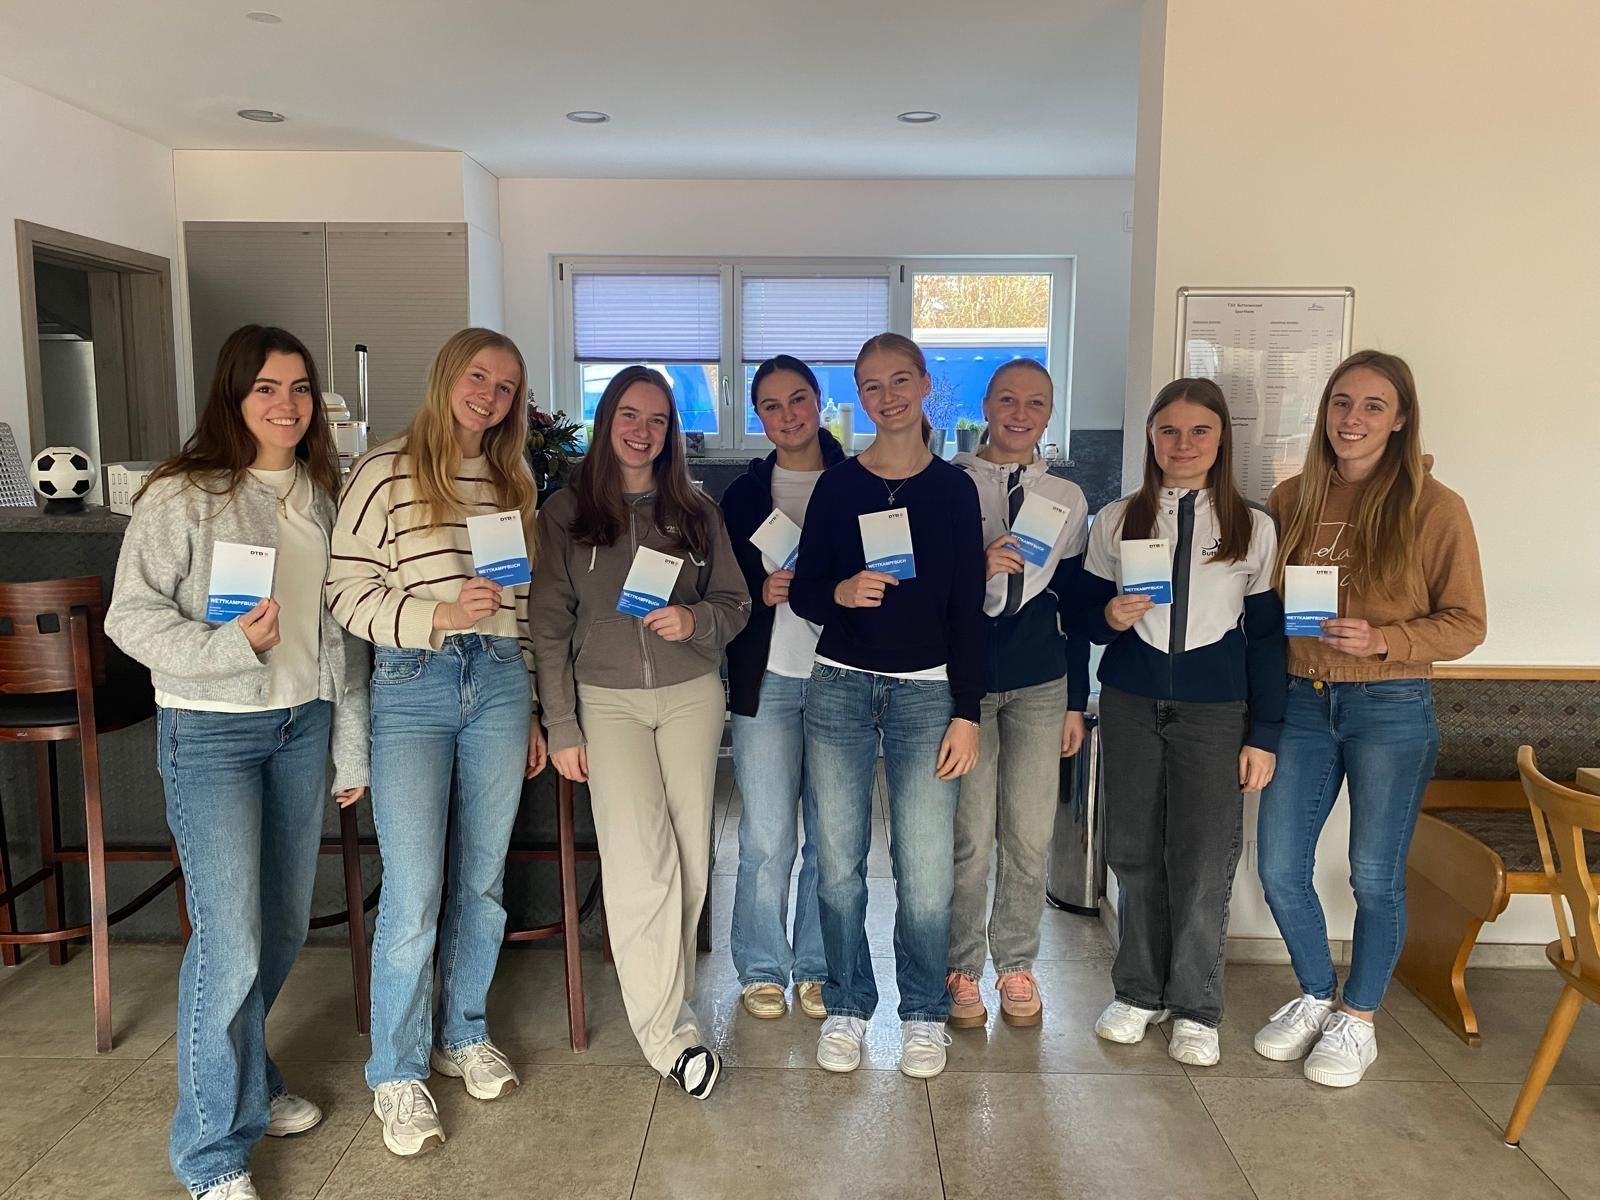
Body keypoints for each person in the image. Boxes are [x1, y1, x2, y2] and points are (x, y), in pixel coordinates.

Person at [106, 325, 369, 1200]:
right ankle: (212, 1151)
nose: (286, 405)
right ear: (233, 395)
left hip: (301, 726)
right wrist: (225, 648)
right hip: (212, 731)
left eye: (299, 389)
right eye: (266, 388)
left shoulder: (323, 493)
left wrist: (349, 744)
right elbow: (129, 616)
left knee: (282, 928)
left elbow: (339, 635)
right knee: (230, 940)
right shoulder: (183, 494)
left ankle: (249, 1081)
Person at [326, 327, 543, 1156]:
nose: (489, 395)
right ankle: (396, 1071)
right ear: (447, 374)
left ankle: (464, 1033)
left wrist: (530, 703)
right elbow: (345, 591)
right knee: (415, 889)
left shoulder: (513, 479)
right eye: (478, 376)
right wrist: (439, 615)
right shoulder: (383, 470)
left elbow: (522, 603)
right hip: (414, 684)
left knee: (482, 882)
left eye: (506, 386)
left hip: (499, 683)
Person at [1253, 350, 1486, 1087]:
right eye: (1342, 403)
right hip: (1301, 701)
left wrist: (1388, 640)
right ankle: (1317, 994)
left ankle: (1358, 1018)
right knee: (1279, 867)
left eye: (1373, 406)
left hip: (1391, 705)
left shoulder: (1435, 507)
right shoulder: (1290, 498)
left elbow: (1467, 622)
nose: (1352, 419)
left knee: (1375, 875)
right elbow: (1264, 605)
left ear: (1401, 419)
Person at [529, 366, 750, 1100]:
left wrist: (696, 620)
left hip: (690, 698)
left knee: (688, 861)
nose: (642, 430)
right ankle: (669, 1038)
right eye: (629, 414)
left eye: (658, 419)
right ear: (607, 421)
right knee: (639, 863)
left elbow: (735, 602)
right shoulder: (565, 512)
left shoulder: (697, 510)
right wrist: (562, 722)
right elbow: (548, 622)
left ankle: (671, 1006)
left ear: (671, 432)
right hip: (607, 703)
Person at [790, 333, 984, 1080]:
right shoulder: (838, 487)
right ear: (858, 396)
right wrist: (839, 592)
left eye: (900, 380)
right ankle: (846, 1004)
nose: (887, 396)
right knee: (838, 864)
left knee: (926, 871)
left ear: (925, 384)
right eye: (871, 385)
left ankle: (924, 1013)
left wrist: (967, 710)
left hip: (927, 694)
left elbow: (967, 607)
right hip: (839, 685)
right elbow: (807, 592)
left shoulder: (953, 490)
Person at [1082, 377, 1284, 1067]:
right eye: (1169, 430)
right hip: (1130, 703)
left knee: (1202, 858)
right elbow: (1083, 616)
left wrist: (1264, 734)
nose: (1183, 444)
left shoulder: (1254, 527)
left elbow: (1266, 640)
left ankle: (1196, 1005)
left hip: (1214, 711)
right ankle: (1138, 992)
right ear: (1151, 437)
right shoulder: (1115, 519)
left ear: (1222, 440)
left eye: (1200, 431)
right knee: (1134, 851)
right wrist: (1107, 617)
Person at [947, 359, 1090, 1028]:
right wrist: (974, 569)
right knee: (971, 838)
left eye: (1035, 403)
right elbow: (924, 585)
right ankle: (961, 967)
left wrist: (1075, 700)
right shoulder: (948, 484)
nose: (1020, 413)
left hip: (1040, 681)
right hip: (966, 680)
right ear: (986, 405)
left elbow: (1077, 601)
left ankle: (1016, 964)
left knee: (1030, 836)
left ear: (1049, 413)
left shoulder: (1068, 497)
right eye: (1007, 399)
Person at [720, 355, 848, 1020]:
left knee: (831, 838)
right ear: (758, 416)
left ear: (819, 401)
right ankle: (763, 965)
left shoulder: (859, 482)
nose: (788, 415)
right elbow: (720, 589)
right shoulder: (742, 497)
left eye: (798, 399)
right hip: (766, 682)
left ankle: (819, 967)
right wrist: (758, 592)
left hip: (841, 680)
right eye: (771, 405)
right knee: (767, 836)